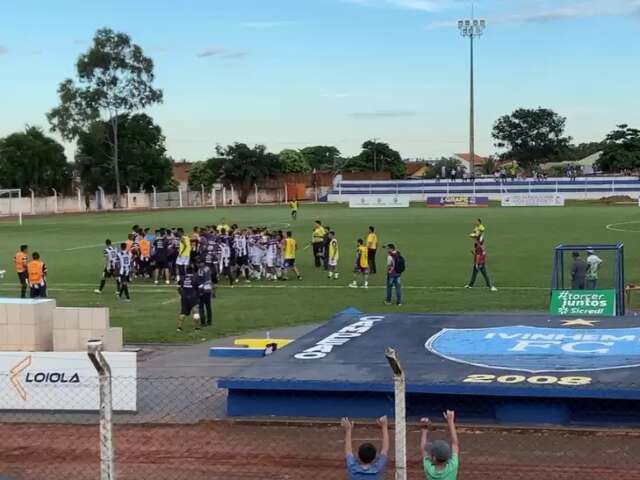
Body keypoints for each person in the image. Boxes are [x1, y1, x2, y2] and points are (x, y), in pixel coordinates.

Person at [420, 411, 459, 480]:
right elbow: (455, 444)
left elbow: (423, 449)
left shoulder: (429, 469)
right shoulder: (452, 466)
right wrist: (450, 421)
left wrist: (424, 429)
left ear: (434, 458)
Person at [177, 264, 201, 332]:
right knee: (196, 312)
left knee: (183, 312)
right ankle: (196, 328)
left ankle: (179, 327)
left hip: (184, 297)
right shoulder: (195, 276)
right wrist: (199, 295)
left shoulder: (183, 277)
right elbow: (199, 287)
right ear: (193, 269)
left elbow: (178, 288)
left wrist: (182, 294)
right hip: (193, 297)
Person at [196, 262, 214, 327]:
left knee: (201, 307)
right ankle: (209, 322)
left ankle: (203, 323)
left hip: (202, 289)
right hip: (208, 289)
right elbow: (210, 280)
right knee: (208, 307)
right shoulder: (208, 269)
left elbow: (199, 280)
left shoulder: (199, 270)